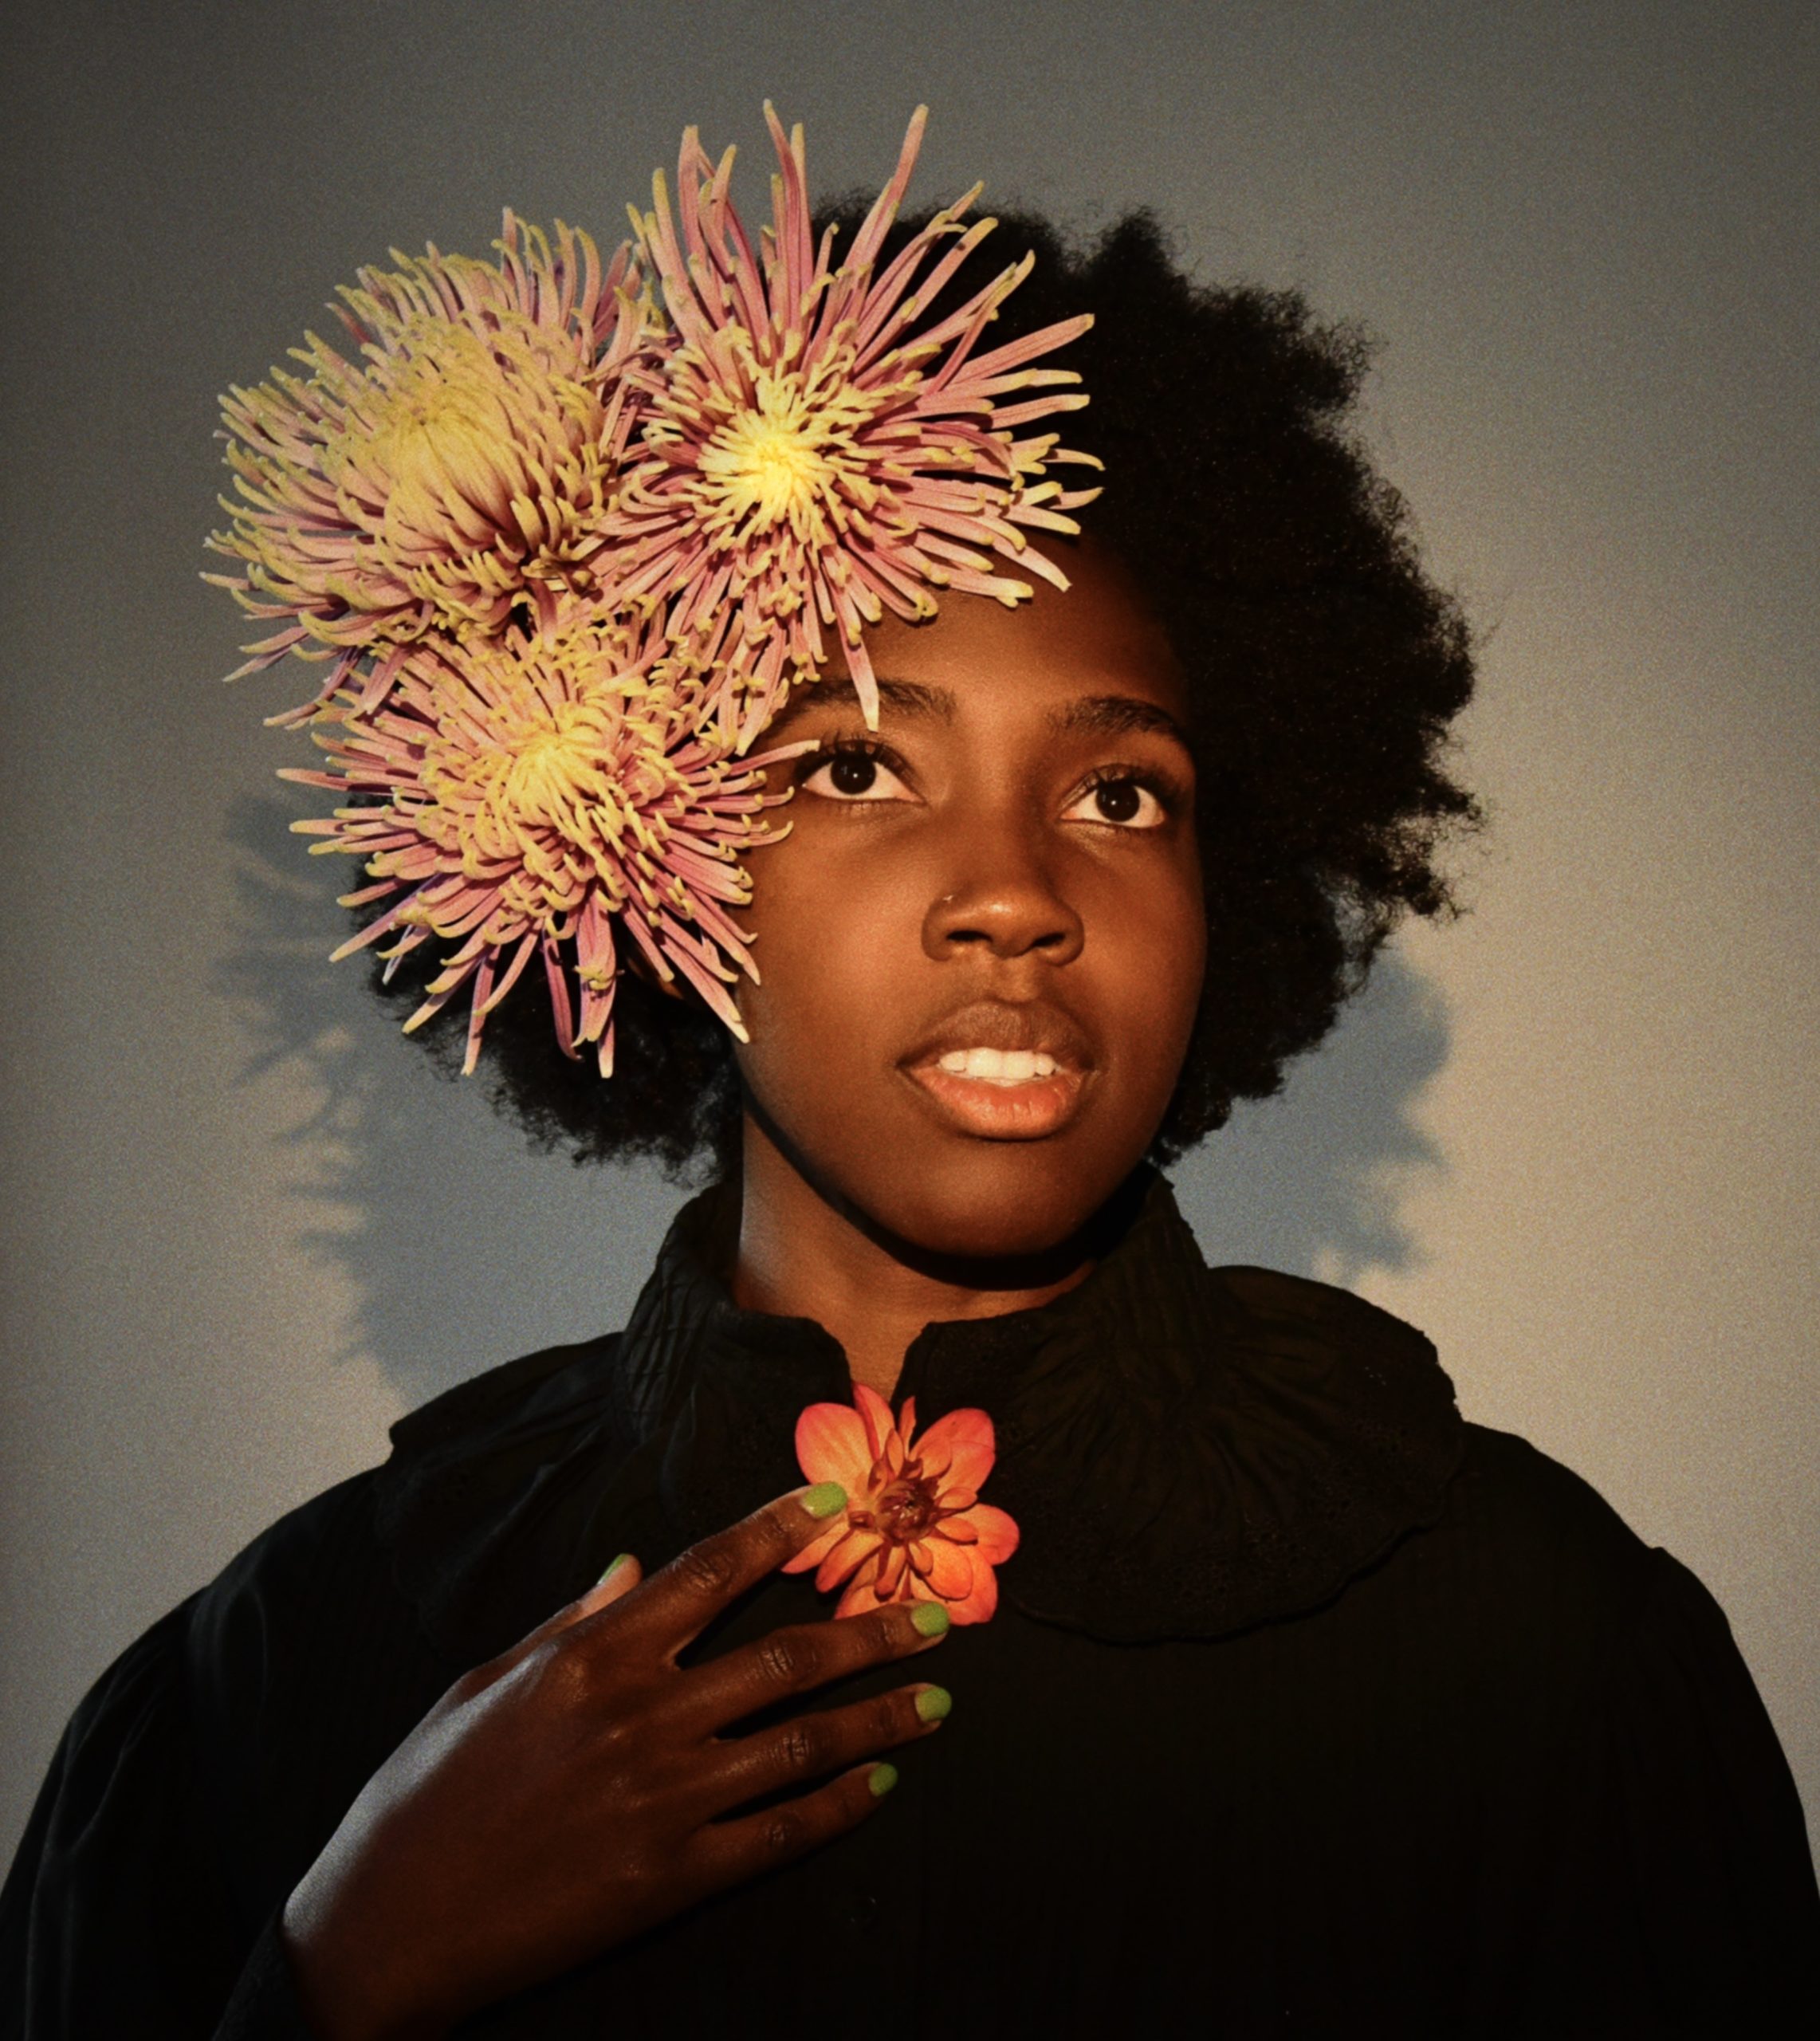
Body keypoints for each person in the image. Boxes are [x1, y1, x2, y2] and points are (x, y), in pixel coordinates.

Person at [2, 110, 1815, 2040]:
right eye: (857, 764)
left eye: (1121, 792)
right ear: (640, 838)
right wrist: (334, 1977)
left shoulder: (1535, 1656)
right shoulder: (288, 1676)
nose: (1016, 893)